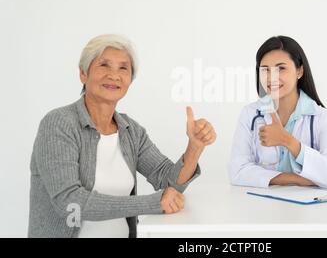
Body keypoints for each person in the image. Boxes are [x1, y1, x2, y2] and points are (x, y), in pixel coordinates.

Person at [28, 34, 216, 237]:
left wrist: (195, 147)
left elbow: (168, 182)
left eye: (123, 68)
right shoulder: (59, 123)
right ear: (83, 73)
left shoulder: (130, 130)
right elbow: (70, 201)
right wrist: (151, 203)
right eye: (104, 65)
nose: (114, 75)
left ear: (129, 80)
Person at [228, 36, 327, 189]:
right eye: (265, 70)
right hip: (262, 207)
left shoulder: (323, 118)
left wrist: (287, 141)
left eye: (281, 68)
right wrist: (296, 179)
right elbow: (237, 171)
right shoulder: (250, 114)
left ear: (299, 71)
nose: (271, 78)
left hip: (311, 210)